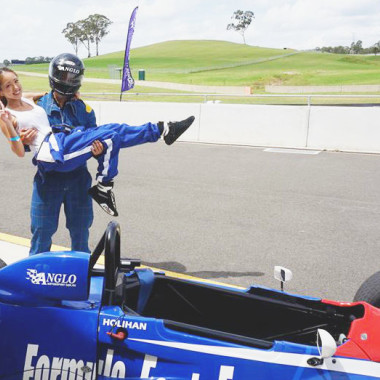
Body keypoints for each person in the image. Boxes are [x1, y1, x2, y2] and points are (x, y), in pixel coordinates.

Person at [0, 54, 194, 255]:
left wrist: (98, 152)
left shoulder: (84, 109)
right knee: (42, 235)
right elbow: (21, 140)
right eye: (65, 77)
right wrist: (19, 138)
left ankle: (162, 130)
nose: (70, 82)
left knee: (80, 234)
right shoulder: (38, 104)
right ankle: (36, 278)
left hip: (78, 179)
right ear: (55, 76)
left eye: (73, 78)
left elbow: (94, 144)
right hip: (48, 178)